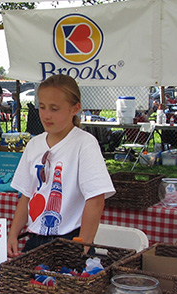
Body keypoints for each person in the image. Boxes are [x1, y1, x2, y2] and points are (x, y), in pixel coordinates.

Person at [7, 75, 115, 257]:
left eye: (54, 109)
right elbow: (26, 196)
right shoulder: (34, 145)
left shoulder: (85, 144)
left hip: (71, 240)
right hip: (35, 240)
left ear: (75, 109)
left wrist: (82, 247)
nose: (46, 115)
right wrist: (13, 234)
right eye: (42, 107)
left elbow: (96, 200)